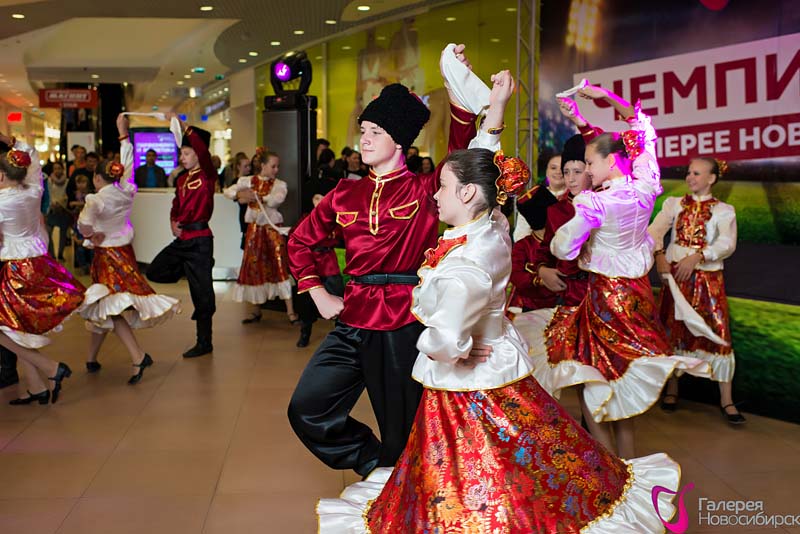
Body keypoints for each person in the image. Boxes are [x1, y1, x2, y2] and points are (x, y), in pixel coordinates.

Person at [317, 146, 682, 534]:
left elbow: (446, 341)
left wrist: (450, 345)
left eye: (442, 186)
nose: (435, 194)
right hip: (496, 363)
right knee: (509, 459)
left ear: (468, 193)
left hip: (468, 381)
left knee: (475, 467)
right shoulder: (491, 227)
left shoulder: (466, 263)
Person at [287, 44, 483, 478]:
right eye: (364, 129)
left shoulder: (426, 189)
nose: (365, 138)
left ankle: (402, 485)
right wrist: (317, 292)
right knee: (307, 408)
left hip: (403, 321)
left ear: (399, 141)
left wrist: (457, 86)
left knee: (403, 430)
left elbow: (460, 147)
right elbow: (299, 241)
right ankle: (377, 468)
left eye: (375, 131)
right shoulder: (345, 192)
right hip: (352, 319)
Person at [514, 87, 711, 459]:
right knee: (617, 378)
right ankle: (624, 460)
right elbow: (641, 130)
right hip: (636, 295)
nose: (586, 171)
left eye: (588, 164)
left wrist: (571, 241)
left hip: (604, 298)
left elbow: (563, 248)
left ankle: (611, 467)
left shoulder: (596, 201)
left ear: (610, 161)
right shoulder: (646, 186)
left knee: (595, 378)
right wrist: (602, 97)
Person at [78, 115, 180, 384]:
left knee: (109, 307)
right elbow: (128, 164)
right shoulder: (125, 190)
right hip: (124, 252)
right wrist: (123, 135)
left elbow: (83, 224)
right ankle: (91, 358)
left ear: (97, 177)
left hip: (107, 256)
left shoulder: (97, 199)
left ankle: (138, 356)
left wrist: (90, 234)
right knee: (103, 305)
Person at [649, 157, 744, 424]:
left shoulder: (724, 210)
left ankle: (726, 399)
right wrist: (659, 255)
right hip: (675, 278)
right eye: (689, 172)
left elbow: (727, 243)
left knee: (717, 332)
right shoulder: (674, 204)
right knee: (673, 328)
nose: (690, 177)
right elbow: (654, 231)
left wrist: (699, 256)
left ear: (711, 178)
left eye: (697, 173)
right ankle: (672, 388)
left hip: (707, 281)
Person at [0, 133, 82, 404]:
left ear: (1, 176)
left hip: (16, 268)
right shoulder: (34, 189)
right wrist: (11, 141)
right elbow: (32, 155)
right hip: (36, 261)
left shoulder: (2, 201)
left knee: (7, 328)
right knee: (20, 328)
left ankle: (51, 368)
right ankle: (37, 387)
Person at [146, 115, 216, 359]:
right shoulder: (182, 179)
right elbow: (176, 205)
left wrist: (186, 128)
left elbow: (203, 152)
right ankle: (189, 272)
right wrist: (172, 221)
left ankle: (204, 343)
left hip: (200, 240)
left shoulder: (207, 174)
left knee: (202, 295)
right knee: (155, 271)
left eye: (186, 153)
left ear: (198, 153)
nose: (182, 157)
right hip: (183, 239)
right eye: (181, 154)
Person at [224, 151, 298, 325]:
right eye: (273, 166)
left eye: (277, 166)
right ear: (263, 166)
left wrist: (255, 196)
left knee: (279, 265)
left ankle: (291, 312)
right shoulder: (247, 181)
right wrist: (240, 195)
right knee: (254, 267)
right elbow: (229, 191)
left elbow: (276, 200)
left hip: (272, 231)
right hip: (254, 231)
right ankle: (256, 310)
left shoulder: (279, 184)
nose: (276, 170)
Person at [293, 192, 344, 348]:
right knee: (306, 300)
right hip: (311, 261)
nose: (319, 201)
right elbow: (296, 237)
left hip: (329, 261)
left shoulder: (336, 217)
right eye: (315, 198)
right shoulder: (306, 218)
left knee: (338, 295)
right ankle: (305, 332)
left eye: (322, 197)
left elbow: (341, 235)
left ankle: (342, 334)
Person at [508, 185, 559, 311]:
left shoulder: (565, 241)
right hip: (533, 309)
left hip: (564, 305)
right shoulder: (523, 246)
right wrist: (540, 280)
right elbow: (516, 275)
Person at [513, 151, 564, 242]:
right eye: (553, 168)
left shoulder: (576, 198)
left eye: (562, 168)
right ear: (546, 172)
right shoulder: (533, 197)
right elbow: (519, 236)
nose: (558, 171)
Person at [45, 161, 71, 261]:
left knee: (63, 233)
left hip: (63, 209)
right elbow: (48, 194)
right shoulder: (49, 181)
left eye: (59, 168)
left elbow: (67, 194)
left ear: (62, 169)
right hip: (52, 209)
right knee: (48, 232)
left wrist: (61, 202)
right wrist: (52, 203)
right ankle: (52, 254)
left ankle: (60, 254)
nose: (57, 170)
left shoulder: (67, 181)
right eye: (55, 168)